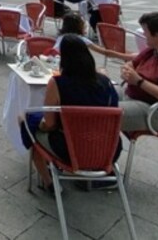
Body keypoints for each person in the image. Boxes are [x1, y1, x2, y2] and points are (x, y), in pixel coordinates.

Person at [27, 34, 121, 185]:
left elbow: (50, 124)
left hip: (71, 150)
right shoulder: (105, 81)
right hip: (108, 150)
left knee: (29, 125)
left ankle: (48, 181)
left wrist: (37, 124)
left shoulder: (57, 83)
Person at [53, 13, 124, 60]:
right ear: (79, 27)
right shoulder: (81, 39)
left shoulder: (60, 36)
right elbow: (105, 52)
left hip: (54, 59)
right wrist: (123, 56)